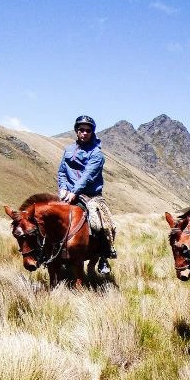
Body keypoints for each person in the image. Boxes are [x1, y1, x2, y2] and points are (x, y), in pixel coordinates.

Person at [57, 115, 116, 275]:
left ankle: (105, 254)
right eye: (81, 130)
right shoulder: (68, 150)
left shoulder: (97, 154)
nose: (84, 133)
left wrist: (74, 192)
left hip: (90, 194)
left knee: (100, 223)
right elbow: (62, 171)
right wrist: (62, 189)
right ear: (76, 131)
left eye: (88, 130)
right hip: (67, 193)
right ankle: (46, 254)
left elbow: (87, 176)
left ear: (92, 132)